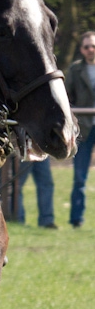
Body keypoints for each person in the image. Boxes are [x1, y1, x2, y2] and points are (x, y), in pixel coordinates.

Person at [65, 30, 95, 228]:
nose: (91, 50)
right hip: (84, 128)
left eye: (93, 46)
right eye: (86, 47)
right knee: (79, 177)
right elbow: (66, 98)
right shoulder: (75, 70)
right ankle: (77, 220)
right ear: (82, 50)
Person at [16, 158, 57, 228]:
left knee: (46, 184)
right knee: (16, 185)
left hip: (41, 151)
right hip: (25, 151)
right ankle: (18, 219)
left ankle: (47, 221)